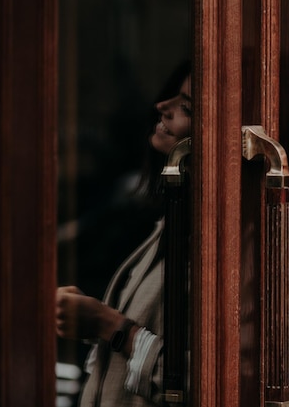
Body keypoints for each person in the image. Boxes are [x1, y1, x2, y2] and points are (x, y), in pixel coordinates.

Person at [56, 60, 192, 407]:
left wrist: (107, 324)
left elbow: (209, 381)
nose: (162, 107)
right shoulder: (173, 220)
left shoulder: (215, 242)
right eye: (171, 97)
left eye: (186, 106)